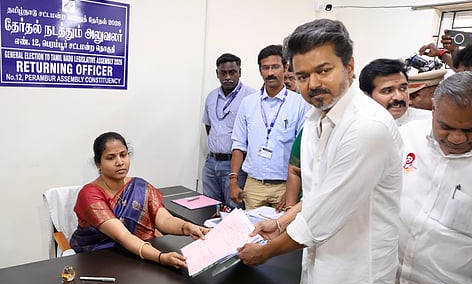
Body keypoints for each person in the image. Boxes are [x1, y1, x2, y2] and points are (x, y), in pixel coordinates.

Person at [238, 19, 403, 284]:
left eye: (323, 71)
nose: (312, 84)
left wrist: (263, 254)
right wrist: (279, 222)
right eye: (302, 76)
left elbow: (321, 219)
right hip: (317, 274)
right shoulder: (316, 116)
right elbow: (318, 194)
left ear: (349, 67)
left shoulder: (366, 127)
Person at [398, 71, 472, 284]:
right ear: (433, 110)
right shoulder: (406, 138)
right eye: (446, 127)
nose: (456, 138)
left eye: (470, 130)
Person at [70, 132, 209, 269]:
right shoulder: (89, 194)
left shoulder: (139, 186)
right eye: (111, 158)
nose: (120, 162)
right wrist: (161, 257)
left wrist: (188, 227)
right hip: (97, 259)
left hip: (136, 253)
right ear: (98, 164)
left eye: (123, 155)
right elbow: (123, 235)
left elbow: (164, 220)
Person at [229, 44, 310, 210]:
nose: (270, 73)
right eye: (265, 68)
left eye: (275, 67)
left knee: (282, 232)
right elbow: (238, 144)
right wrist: (233, 181)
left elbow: (303, 150)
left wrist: (292, 189)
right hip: (254, 186)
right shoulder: (248, 104)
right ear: (260, 71)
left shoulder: (300, 104)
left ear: (285, 68)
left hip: (285, 186)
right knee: (251, 232)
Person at [202, 53, 258, 208]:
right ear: (217, 74)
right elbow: (209, 126)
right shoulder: (211, 97)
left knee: (234, 211)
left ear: (240, 72)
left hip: (234, 165)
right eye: (223, 73)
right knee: (209, 208)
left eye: (232, 72)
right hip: (211, 163)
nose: (228, 77)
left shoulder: (252, 97)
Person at [359, 58, 431, 126]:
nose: (399, 97)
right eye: (388, 91)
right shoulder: (357, 126)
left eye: (403, 89)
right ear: (367, 96)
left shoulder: (429, 122)